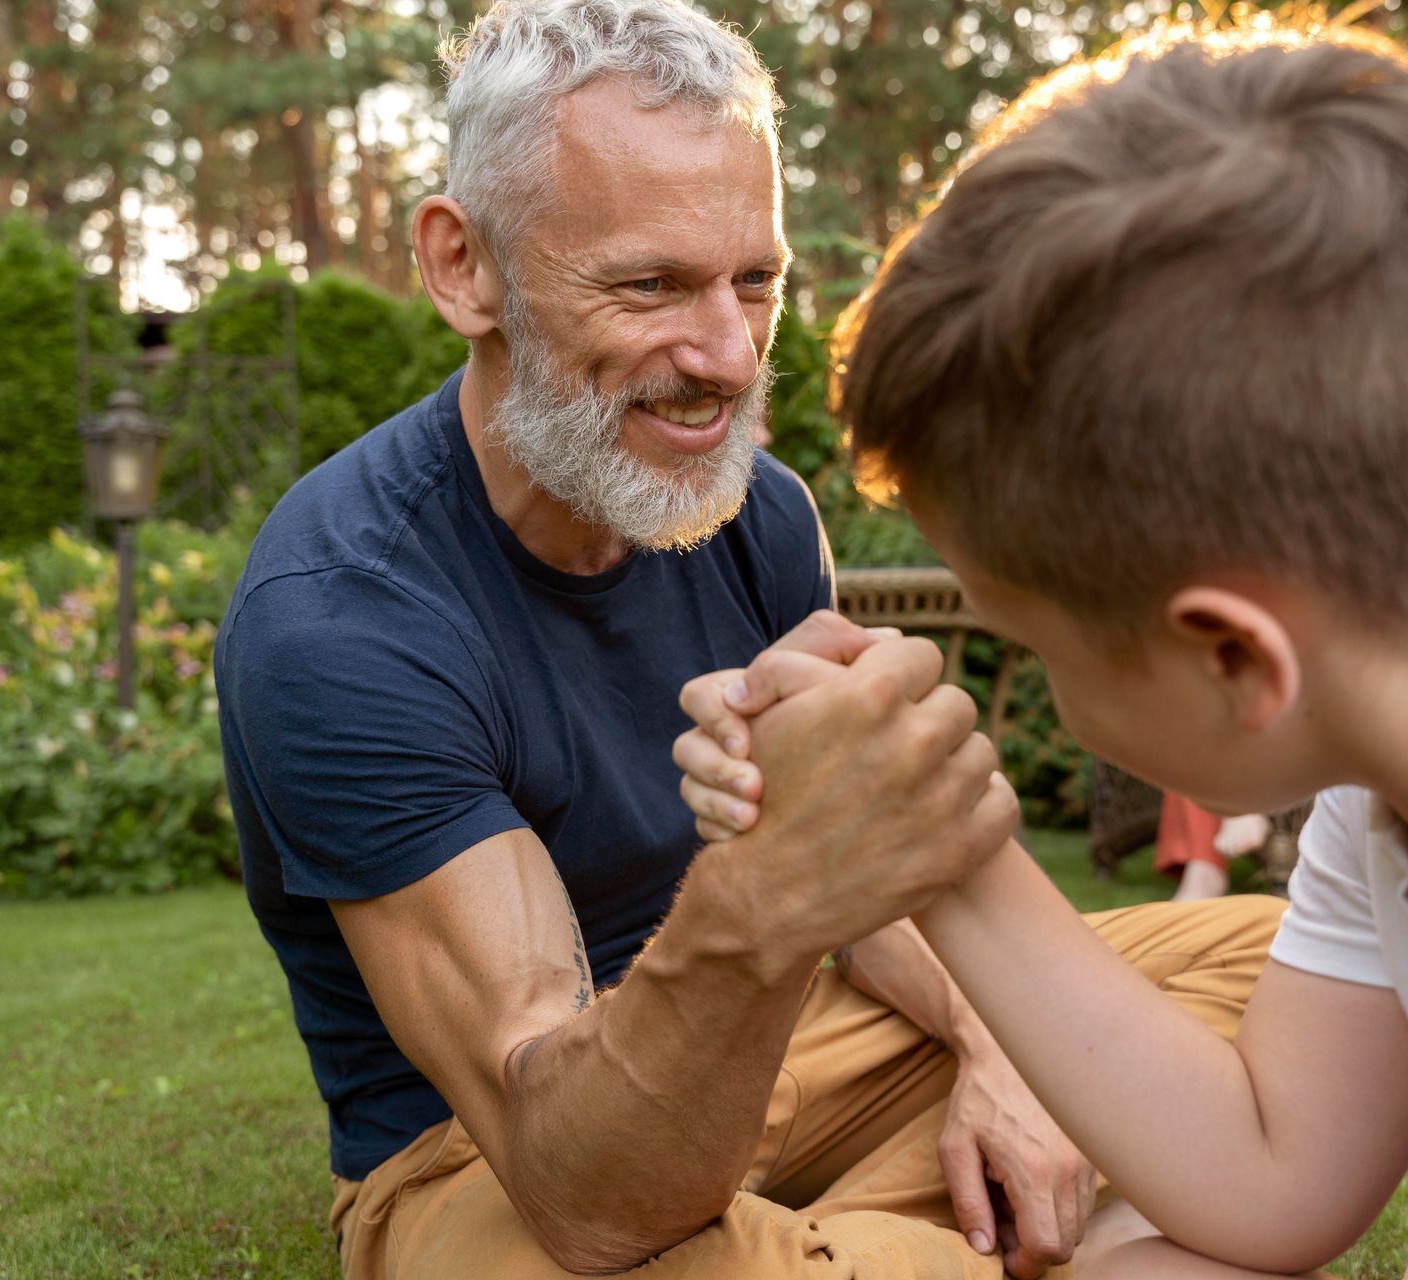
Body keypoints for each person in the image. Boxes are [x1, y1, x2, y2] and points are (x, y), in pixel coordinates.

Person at [673, 20, 1408, 1280]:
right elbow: (1275, 1172)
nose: (1037, 691)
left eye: (1037, 642)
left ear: (1234, 659)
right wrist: (928, 835)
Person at [213, 3, 1294, 1278]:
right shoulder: (341, 618)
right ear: (465, 268)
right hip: (498, 1159)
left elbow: (875, 895)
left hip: (789, 1048)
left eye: (757, 279)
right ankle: (1024, 1237)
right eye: (649, 283)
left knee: (1281, 960)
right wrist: (771, 894)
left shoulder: (754, 512)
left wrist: (1011, 1065)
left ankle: (861, 1239)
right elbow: (572, 1173)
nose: (729, 358)